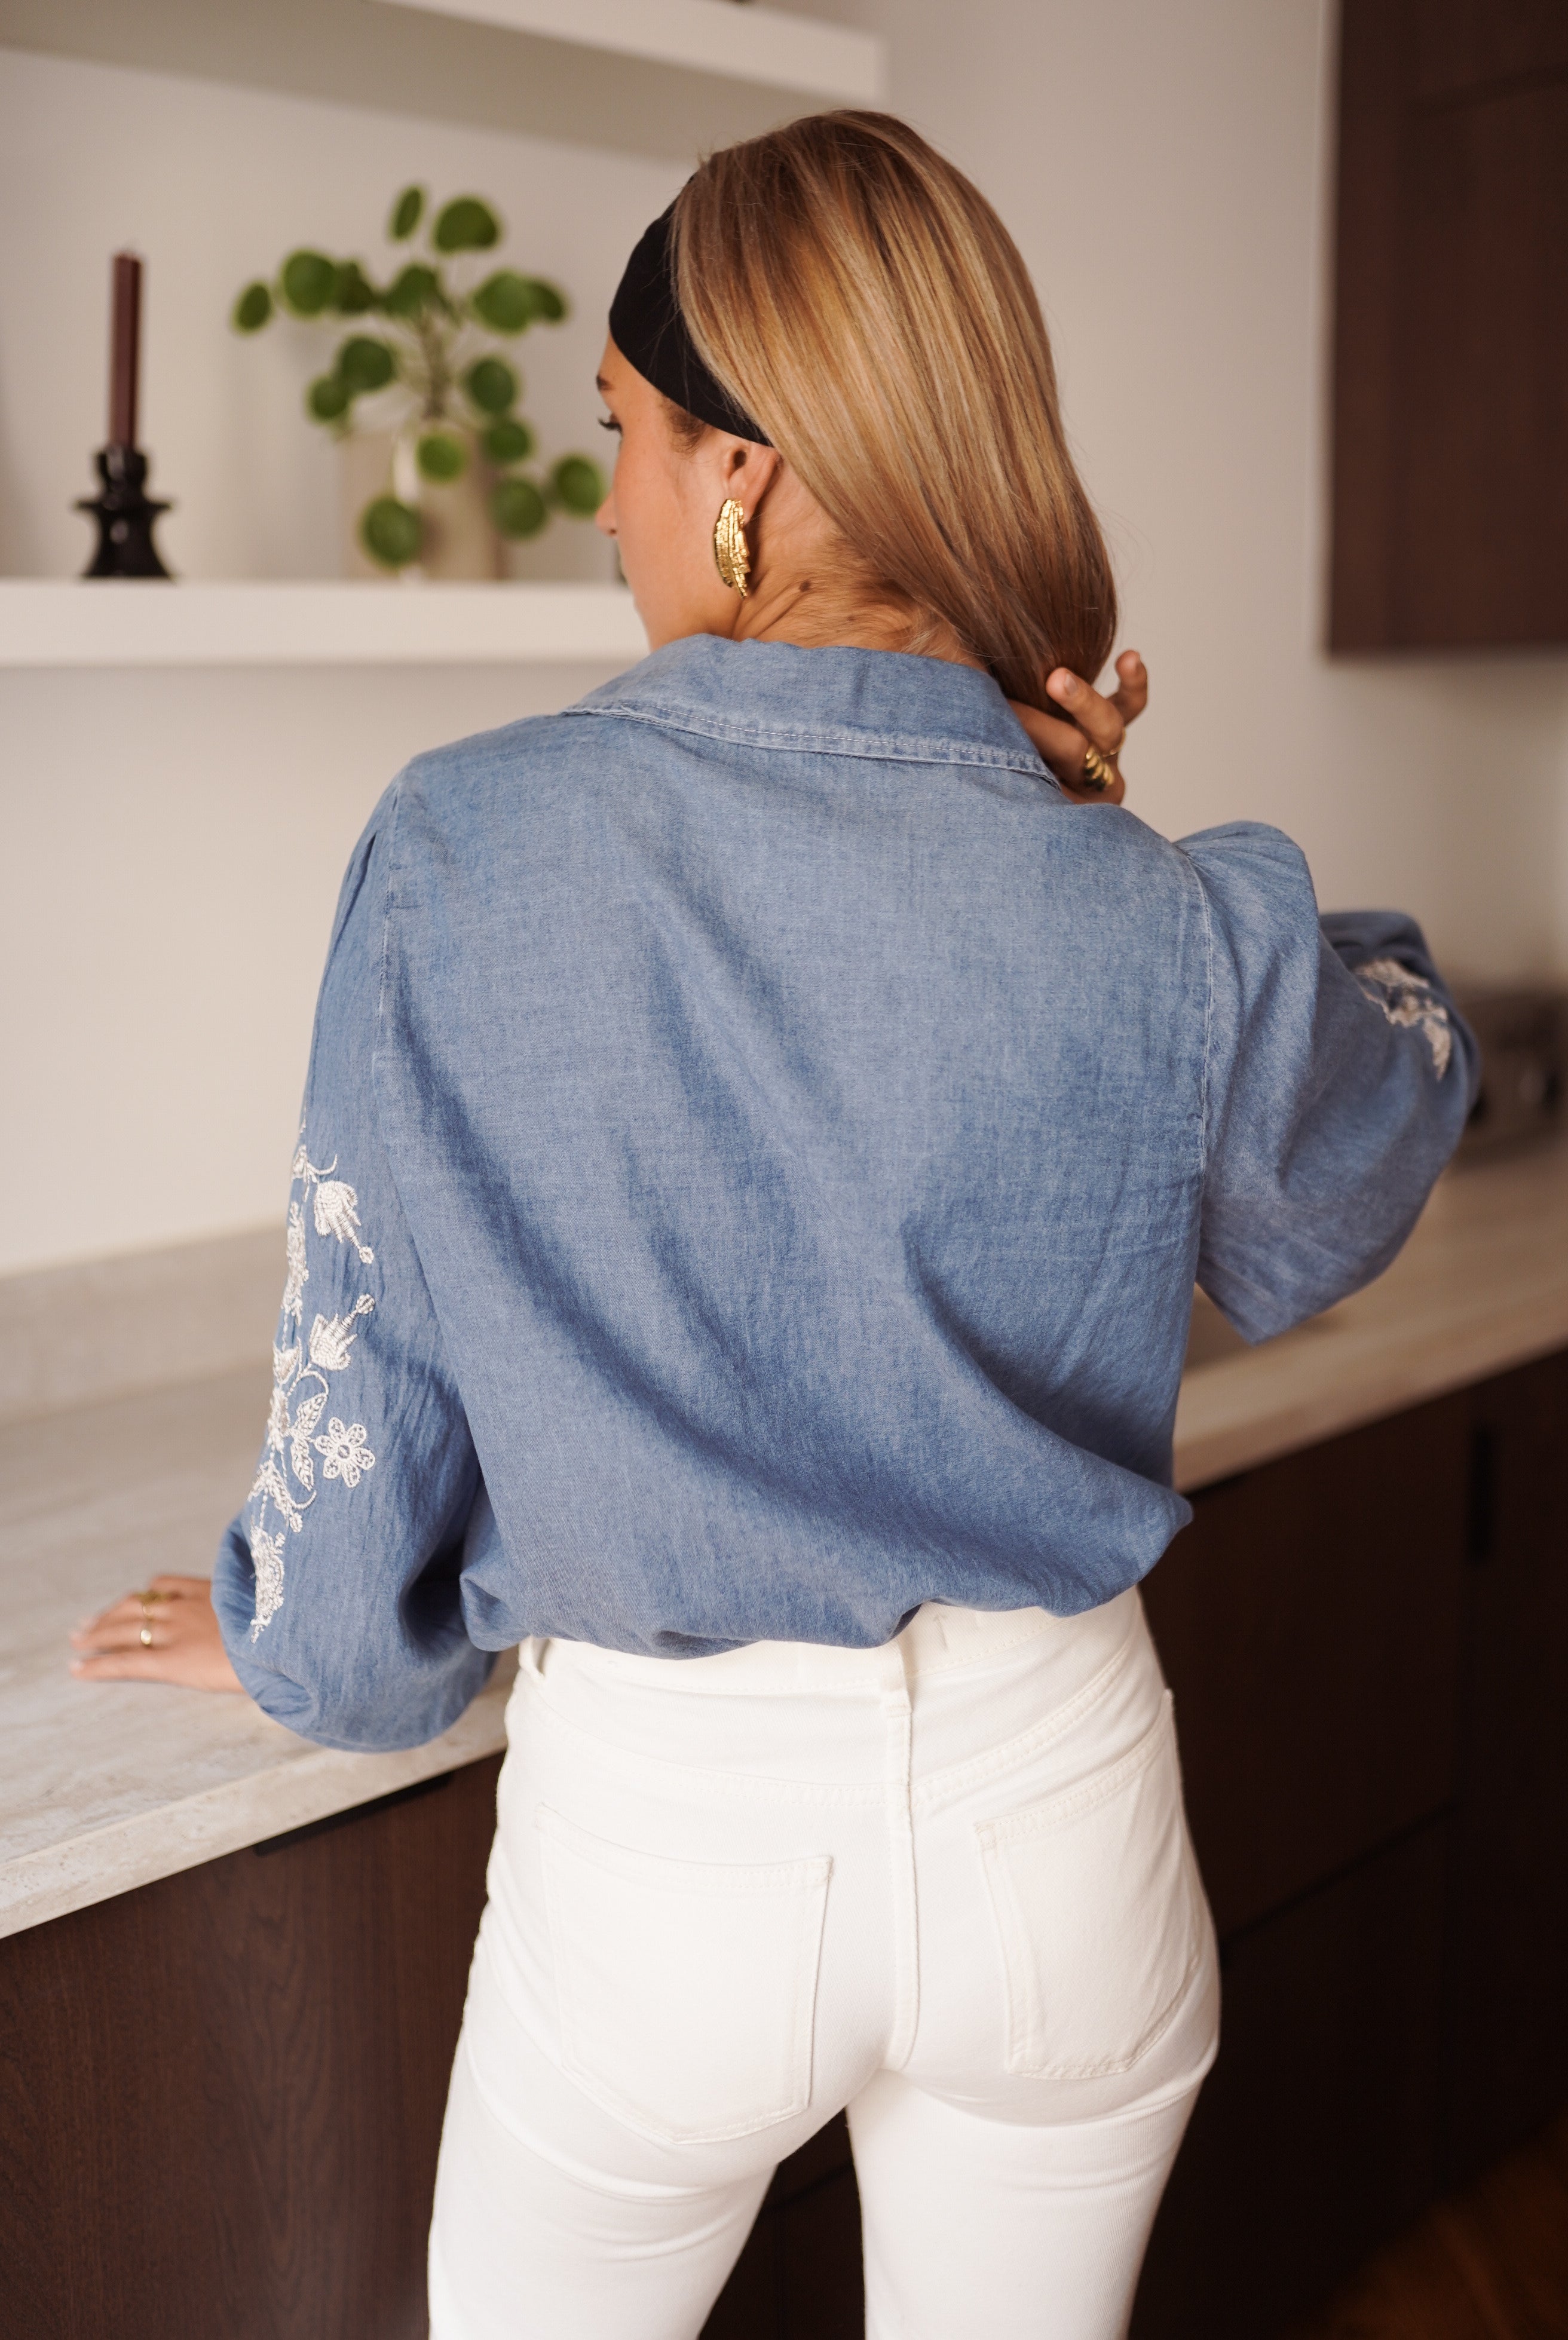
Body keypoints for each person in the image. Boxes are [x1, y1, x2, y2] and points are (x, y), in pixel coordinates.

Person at [72, 111, 1477, 2340]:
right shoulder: (1143, 897)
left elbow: (364, 1443)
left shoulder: (461, 851)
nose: (606, 504)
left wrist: (288, 1640)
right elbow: (1374, 1118)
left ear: (742, 472)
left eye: (619, 438)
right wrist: (1107, 819)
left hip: (666, 1860)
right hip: (1063, 1830)